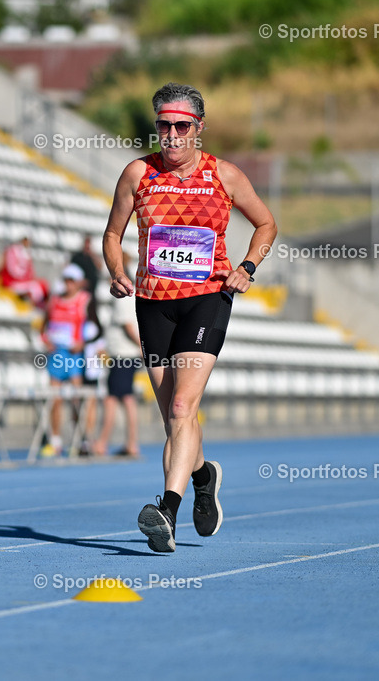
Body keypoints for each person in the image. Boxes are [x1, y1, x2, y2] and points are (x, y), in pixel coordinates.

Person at [102, 82, 278, 552]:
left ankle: (167, 512)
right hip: (153, 301)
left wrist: (247, 267)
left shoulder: (225, 175)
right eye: (164, 125)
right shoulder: (137, 174)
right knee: (173, 419)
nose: (173, 135)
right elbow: (112, 234)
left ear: (199, 129)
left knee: (183, 409)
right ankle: (203, 476)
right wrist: (117, 271)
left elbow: (266, 223)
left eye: (182, 126)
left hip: (207, 298)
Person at [40, 263, 91, 457]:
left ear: (78, 283)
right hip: (57, 354)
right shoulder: (54, 301)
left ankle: (80, 438)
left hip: (74, 355)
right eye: (66, 280)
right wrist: (46, 340)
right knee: (55, 398)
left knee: (76, 399)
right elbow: (43, 326)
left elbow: (94, 326)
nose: (68, 284)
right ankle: (55, 440)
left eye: (71, 281)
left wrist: (83, 343)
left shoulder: (84, 300)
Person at [94, 252, 142, 458]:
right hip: (123, 354)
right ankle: (128, 442)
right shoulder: (130, 292)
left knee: (115, 398)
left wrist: (141, 346)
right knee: (124, 397)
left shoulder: (123, 295)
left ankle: (103, 443)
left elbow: (128, 326)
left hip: (123, 354)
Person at [78, 296, 106, 456]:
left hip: (87, 369)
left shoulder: (88, 326)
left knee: (86, 407)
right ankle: (87, 439)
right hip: (91, 370)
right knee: (90, 407)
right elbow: (100, 352)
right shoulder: (94, 327)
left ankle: (86, 439)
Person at [0, 236, 48, 307]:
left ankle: (37, 307)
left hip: (22, 282)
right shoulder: (13, 251)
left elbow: (30, 272)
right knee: (35, 287)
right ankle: (34, 308)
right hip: (12, 282)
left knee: (42, 285)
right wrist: (26, 277)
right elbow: (13, 271)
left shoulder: (26, 252)